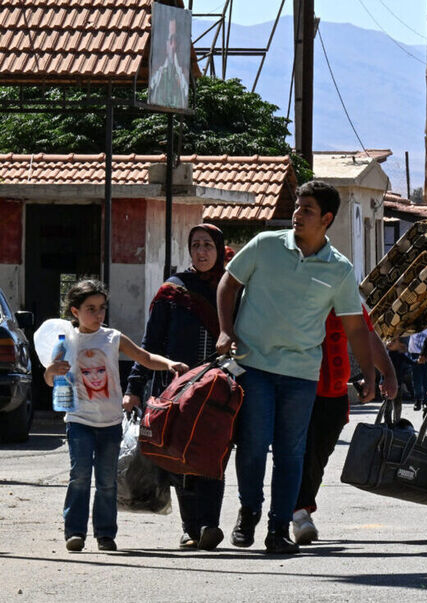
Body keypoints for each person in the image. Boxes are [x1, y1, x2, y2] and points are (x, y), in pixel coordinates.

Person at [217, 180, 398, 554]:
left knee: (291, 451)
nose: (298, 214)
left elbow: (355, 325)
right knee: (252, 443)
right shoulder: (266, 246)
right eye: (298, 208)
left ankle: (278, 527)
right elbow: (228, 284)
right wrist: (226, 330)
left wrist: (370, 372)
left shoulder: (339, 269)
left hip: (301, 373)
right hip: (255, 364)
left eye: (307, 210)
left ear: (326, 218)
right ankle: (249, 510)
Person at [44, 280, 188, 552]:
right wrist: (52, 370)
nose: (98, 315)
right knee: (80, 476)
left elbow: (144, 357)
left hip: (111, 424)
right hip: (79, 422)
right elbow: (51, 379)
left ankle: (105, 535)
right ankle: (74, 532)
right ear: (75, 312)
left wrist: (169, 364)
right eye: (91, 309)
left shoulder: (112, 338)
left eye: (102, 308)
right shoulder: (66, 341)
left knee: (107, 481)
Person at [125, 224, 229, 550]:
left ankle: (210, 524)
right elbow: (149, 343)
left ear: (219, 249)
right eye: (196, 245)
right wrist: (135, 387)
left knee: (214, 455)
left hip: (220, 390)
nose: (201, 252)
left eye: (208, 245)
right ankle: (190, 527)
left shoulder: (232, 289)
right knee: (181, 457)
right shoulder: (173, 291)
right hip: (177, 390)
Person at [291, 307, 389, 545]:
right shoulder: (291, 283)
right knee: (298, 452)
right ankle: (297, 512)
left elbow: (365, 332)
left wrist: (387, 373)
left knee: (318, 455)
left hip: (333, 391)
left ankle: (299, 510)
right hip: (294, 386)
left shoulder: (342, 288)